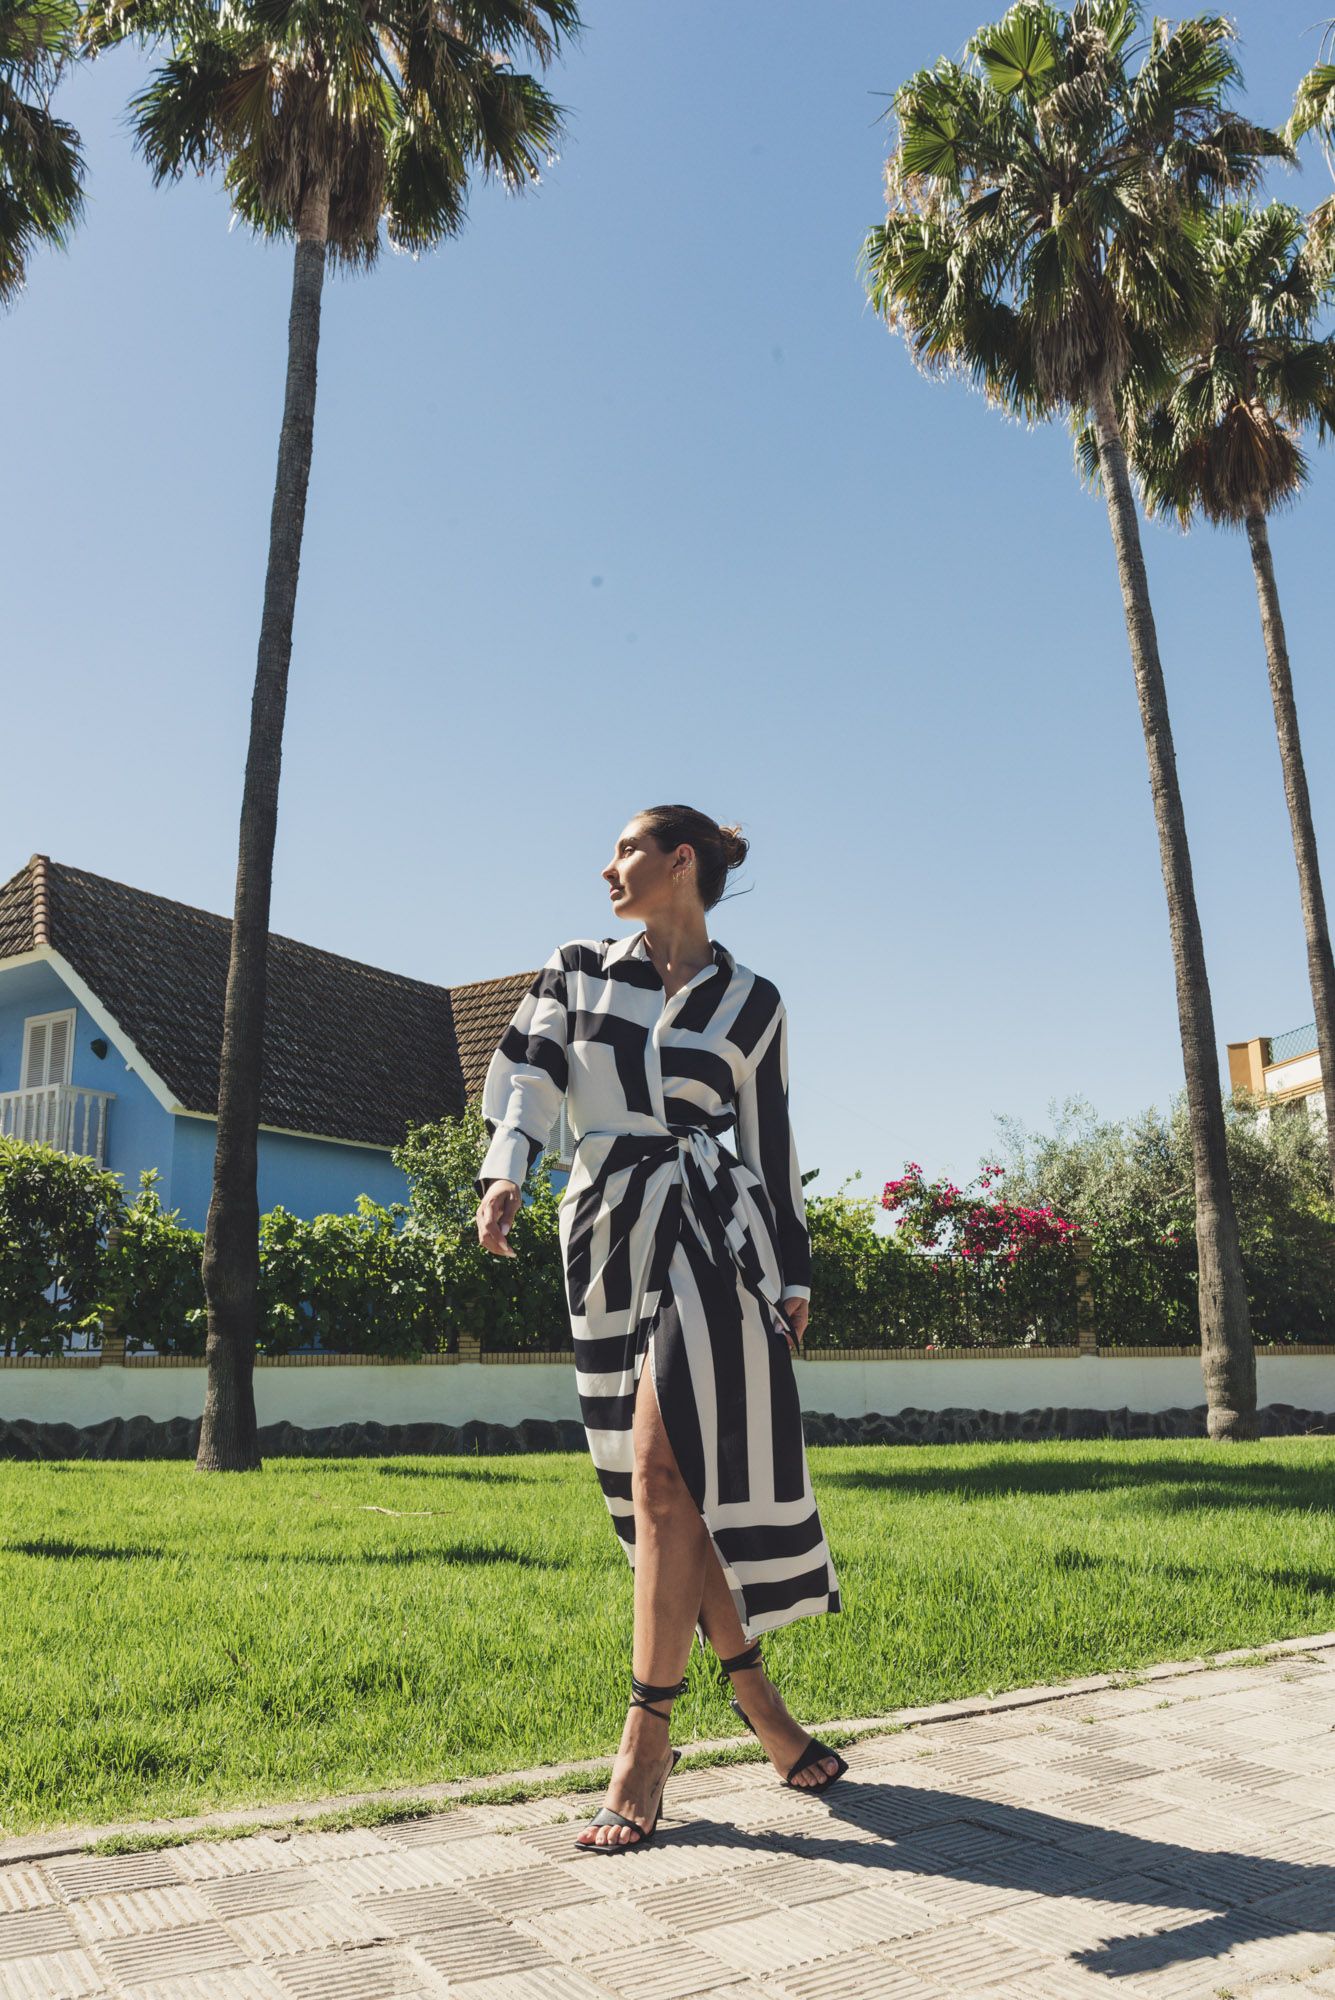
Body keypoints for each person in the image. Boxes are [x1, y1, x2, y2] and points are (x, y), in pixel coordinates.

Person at [473, 804, 846, 1853]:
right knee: (663, 1492)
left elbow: (771, 1142)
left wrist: (795, 1269)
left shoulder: (753, 999)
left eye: (627, 848)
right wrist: (506, 1171)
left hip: (715, 1234)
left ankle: (644, 1739)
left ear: (680, 862)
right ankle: (763, 1706)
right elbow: (531, 1077)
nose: (607, 864)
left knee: (663, 1470)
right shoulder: (577, 966)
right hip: (602, 1226)